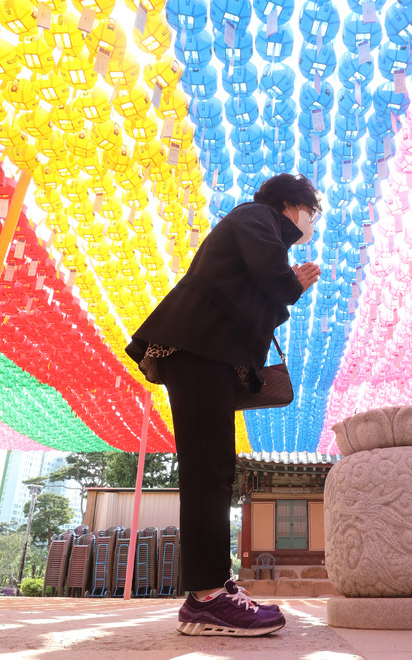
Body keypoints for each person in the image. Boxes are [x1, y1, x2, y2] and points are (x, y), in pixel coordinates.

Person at [126, 173, 322, 637]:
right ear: (290, 204)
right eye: (310, 213)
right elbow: (271, 279)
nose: (309, 224)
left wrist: (287, 286)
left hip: (205, 353)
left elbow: (255, 306)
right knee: (206, 469)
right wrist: (291, 284)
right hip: (196, 350)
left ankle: (211, 590)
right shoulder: (258, 216)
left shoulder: (261, 232)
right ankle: (207, 597)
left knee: (214, 467)